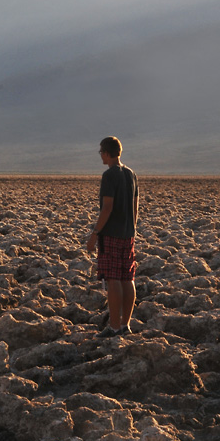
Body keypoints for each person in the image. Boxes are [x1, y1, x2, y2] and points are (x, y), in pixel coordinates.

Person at [86, 136, 139, 338]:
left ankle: (114, 327)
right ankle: (126, 325)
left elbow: (107, 208)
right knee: (127, 277)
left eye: (101, 152)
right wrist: (131, 230)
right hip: (128, 234)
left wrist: (94, 234)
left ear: (107, 153)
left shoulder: (110, 176)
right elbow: (135, 207)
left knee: (113, 278)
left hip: (112, 234)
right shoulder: (131, 174)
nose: (101, 156)